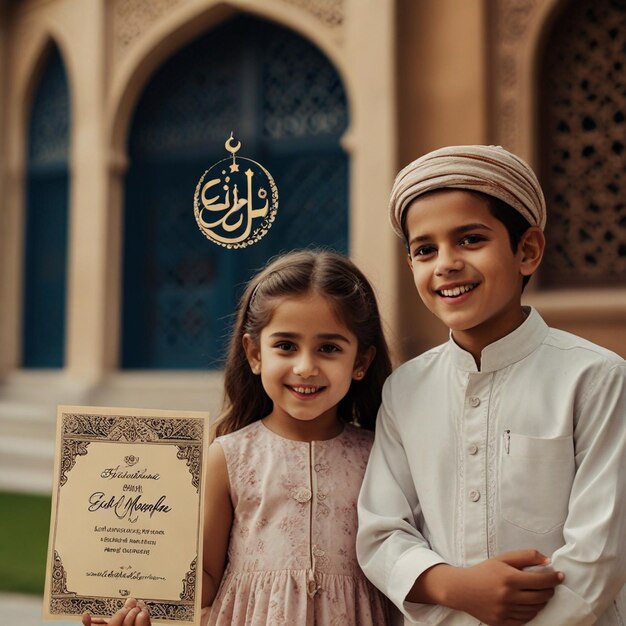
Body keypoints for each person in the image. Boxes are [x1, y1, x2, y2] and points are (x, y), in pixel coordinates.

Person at [356, 145, 626, 626]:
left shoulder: (597, 379)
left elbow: (598, 555)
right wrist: (453, 587)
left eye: (470, 239)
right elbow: (381, 533)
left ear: (527, 251)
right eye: (425, 250)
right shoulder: (405, 391)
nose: (445, 264)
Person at [83, 249, 395, 626]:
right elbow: (205, 577)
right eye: (285, 346)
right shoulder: (228, 457)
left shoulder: (379, 454)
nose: (306, 367)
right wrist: (133, 600)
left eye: (328, 348)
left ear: (360, 362)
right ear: (254, 353)